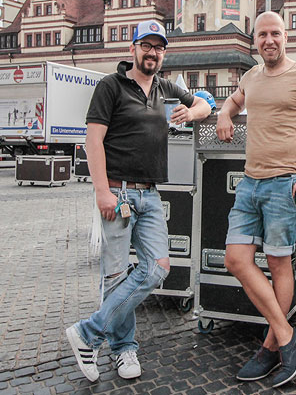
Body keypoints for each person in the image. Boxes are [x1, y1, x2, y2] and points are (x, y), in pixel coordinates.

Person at [65, 20, 211, 382]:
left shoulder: (165, 86)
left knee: (158, 267)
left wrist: (191, 112)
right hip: (117, 191)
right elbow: (92, 142)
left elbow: (207, 106)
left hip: (149, 193)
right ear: (133, 49)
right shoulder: (110, 86)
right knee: (115, 276)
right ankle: (123, 348)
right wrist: (101, 190)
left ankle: (88, 332)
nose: (153, 53)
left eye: (159, 47)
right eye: (146, 45)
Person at [216, 11, 296, 388]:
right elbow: (235, 102)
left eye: (275, 34)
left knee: (278, 265)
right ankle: (289, 336)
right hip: (250, 183)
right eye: (262, 35)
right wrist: (225, 113)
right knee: (235, 259)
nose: (268, 40)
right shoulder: (251, 77)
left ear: (285, 37)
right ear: (254, 41)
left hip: (285, 184)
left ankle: (271, 348)